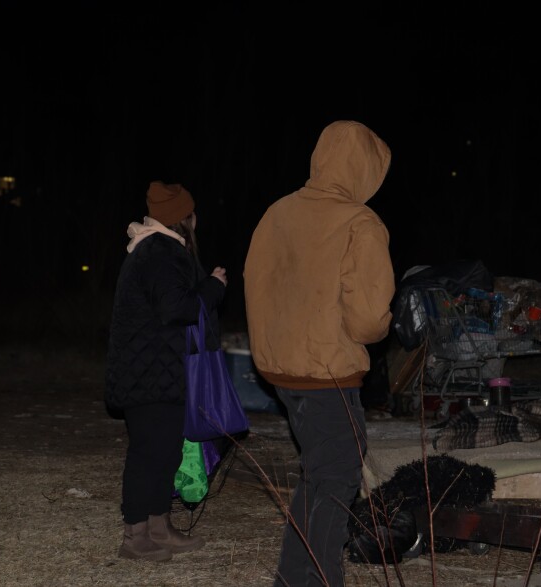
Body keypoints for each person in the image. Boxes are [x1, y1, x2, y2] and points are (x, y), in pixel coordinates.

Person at [243, 120, 395, 586]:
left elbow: (258, 286)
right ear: (365, 169)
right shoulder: (359, 222)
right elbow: (369, 318)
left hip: (284, 371)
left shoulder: (278, 212)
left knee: (318, 475)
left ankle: (292, 577)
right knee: (335, 482)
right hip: (328, 370)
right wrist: (382, 325)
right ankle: (322, 579)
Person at [105, 181, 228, 562]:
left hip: (159, 371)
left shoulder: (158, 249)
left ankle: (159, 527)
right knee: (148, 454)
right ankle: (135, 536)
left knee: (166, 452)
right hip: (149, 374)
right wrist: (212, 288)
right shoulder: (159, 251)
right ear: (185, 218)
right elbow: (175, 308)